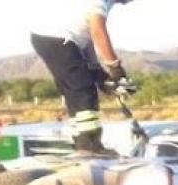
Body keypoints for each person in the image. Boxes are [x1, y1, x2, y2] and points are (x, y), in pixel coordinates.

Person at [30, 0, 136, 153]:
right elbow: (97, 31)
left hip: (53, 38)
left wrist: (97, 71)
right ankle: (89, 146)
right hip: (57, 39)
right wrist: (115, 67)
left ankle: (82, 143)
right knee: (83, 91)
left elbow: (85, 39)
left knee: (76, 91)